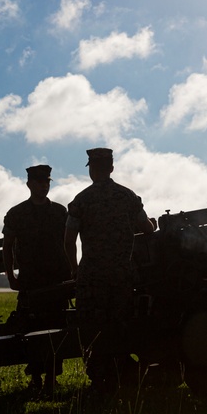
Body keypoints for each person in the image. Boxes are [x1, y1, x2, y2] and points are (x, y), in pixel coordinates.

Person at [64, 147, 154, 394]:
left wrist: (74, 268)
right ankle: (120, 375)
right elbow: (147, 228)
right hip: (121, 276)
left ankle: (98, 379)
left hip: (91, 278)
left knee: (93, 329)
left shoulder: (81, 201)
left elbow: (69, 239)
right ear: (111, 168)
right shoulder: (128, 197)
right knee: (120, 326)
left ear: (92, 170)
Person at [2, 164, 70, 393]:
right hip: (31, 281)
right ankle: (36, 378)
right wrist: (10, 275)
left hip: (57, 280)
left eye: (47, 182)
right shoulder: (17, 213)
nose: (44, 186)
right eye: (39, 182)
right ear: (29, 184)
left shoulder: (60, 212)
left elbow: (70, 243)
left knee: (56, 328)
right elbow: (7, 247)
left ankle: (52, 377)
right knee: (30, 329)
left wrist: (73, 270)